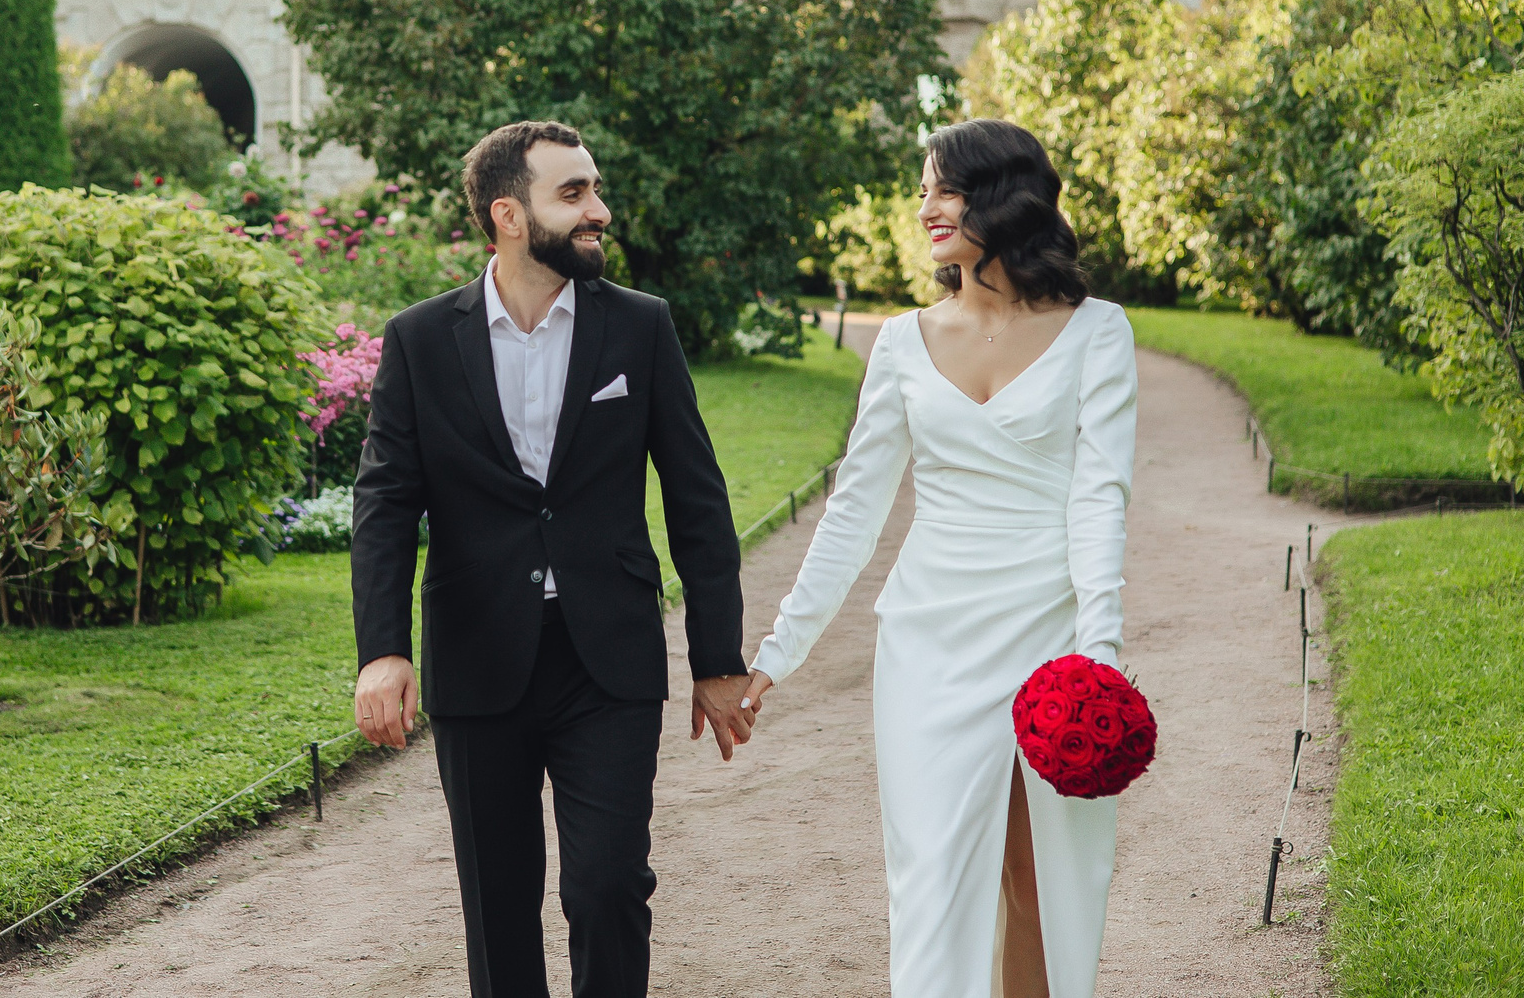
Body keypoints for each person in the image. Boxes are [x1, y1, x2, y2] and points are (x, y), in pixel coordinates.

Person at [350, 120, 756, 998]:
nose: (597, 210)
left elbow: (697, 499)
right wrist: (383, 649)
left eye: (594, 189)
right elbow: (385, 503)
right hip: (478, 656)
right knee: (497, 907)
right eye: (573, 193)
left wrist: (718, 661)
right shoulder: (421, 339)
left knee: (607, 885)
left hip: (605, 660)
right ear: (508, 213)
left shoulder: (640, 327)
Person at [742, 118, 1136, 998]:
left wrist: (1099, 657)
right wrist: (779, 651)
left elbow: (1099, 501)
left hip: (1052, 635)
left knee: (1043, 884)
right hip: (928, 642)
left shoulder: (1097, 332)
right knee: (931, 883)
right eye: (923, 188)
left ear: (1004, 194)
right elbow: (854, 511)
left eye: (943, 188)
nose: (925, 207)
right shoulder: (900, 341)